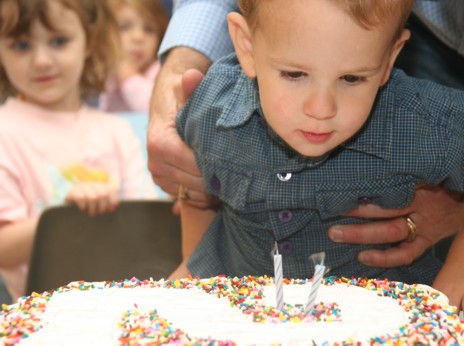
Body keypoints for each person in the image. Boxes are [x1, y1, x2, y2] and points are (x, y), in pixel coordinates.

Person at [170, 0, 464, 310]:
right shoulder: (214, 107)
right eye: (295, 74)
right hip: (242, 318)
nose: (321, 109)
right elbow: (196, 187)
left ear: (390, 57)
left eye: (351, 79)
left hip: (381, 320)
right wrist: (194, 273)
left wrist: (456, 275)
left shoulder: (422, 122)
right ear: (246, 46)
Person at [0, 0, 158, 302]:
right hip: (38, 317)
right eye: (21, 45)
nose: (42, 61)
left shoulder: (117, 131)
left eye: (59, 41)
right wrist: (70, 216)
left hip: (125, 305)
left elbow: (145, 227)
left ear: (88, 40)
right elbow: (4, 248)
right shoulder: (4, 132)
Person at [98, 0, 168, 112]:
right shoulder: (107, 71)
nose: (138, 37)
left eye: (149, 29)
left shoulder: (160, 70)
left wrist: (128, 76)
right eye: (125, 27)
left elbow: (154, 108)